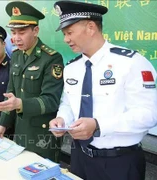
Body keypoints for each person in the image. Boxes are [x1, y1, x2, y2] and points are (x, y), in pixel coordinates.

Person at [49, 1, 157, 180]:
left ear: (91, 27)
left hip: (120, 163)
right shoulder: (72, 68)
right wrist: (62, 118)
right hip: (79, 158)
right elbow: (68, 103)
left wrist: (99, 125)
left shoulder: (131, 63)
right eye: (64, 34)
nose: (65, 39)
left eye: (69, 33)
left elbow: (149, 114)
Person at [0, 1, 64, 162]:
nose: (16, 38)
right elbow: (10, 94)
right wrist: (3, 124)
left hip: (42, 135)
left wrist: (20, 104)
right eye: (13, 32)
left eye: (22, 32)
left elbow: (51, 100)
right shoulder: (17, 55)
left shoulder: (51, 58)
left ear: (36, 30)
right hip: (20, 130)